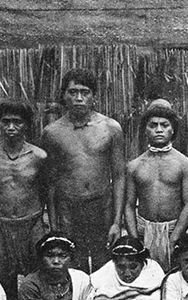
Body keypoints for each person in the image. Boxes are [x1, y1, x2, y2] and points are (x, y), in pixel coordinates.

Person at [42, 69, 126, 273]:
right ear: (64, 96)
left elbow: (119, 175)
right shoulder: (53, 132)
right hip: (68, 207)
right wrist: (54, 224)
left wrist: (117, 221)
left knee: (104, 262)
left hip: (101, 205)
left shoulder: (110, 128)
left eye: (85, 92)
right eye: (72, 92)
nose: (78, 98)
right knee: (72, 263)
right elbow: (50, 182)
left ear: (94, 96)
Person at [0, 99, 49, 300]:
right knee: (6, 281)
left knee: (36, 277)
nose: (11, 128)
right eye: (5, 122)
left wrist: (36, 219)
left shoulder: (38, 157)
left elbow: (44, 192)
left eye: (17, 122)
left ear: (27, 125)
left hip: (32, 223)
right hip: (1, 225)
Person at [125, 99, 188, 273]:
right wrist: (135, 239)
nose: (158, 130)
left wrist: (174, 238)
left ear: (173, 129)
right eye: (153, 125)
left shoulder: (184, 164)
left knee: (174, 277)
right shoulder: (134, 166)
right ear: (145, 130)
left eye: (164, 125)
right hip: (144, 229)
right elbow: (128, 205)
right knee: (145, 277)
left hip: (174, 229)